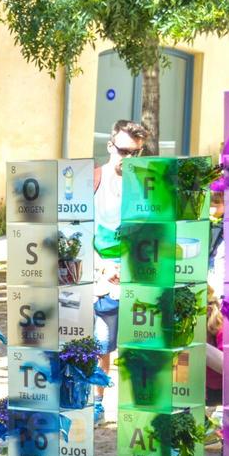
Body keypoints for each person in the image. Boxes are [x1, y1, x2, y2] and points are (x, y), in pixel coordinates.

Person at [92, 120, 151, 406]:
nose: (129, 159)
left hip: (136, 272)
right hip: (102, 273)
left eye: (136, 153)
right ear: (110, 145)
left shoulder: (145, 185)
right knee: (101, 342)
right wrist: (102, 265)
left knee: (139, 343)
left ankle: (135, 406)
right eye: (124, 151)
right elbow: (75, 233)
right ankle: (97, 402)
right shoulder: (92, 181)